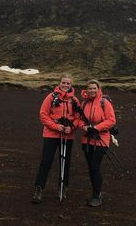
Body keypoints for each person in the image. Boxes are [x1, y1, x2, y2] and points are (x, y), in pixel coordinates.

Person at [31, 74, 81, 204]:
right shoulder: (51, 97)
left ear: (71, 85)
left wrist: (72, 127)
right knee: (46, 161)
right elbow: (43, 114)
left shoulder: (74, 100)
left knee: (65, 162)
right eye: (63, 82)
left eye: (68, 83)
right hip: (51, 135)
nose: (65, 85)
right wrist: (55, 126)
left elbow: (78, 117)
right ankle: (39, 188)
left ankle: (63, 187)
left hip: (67, 135)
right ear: (59, 83)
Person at [78, 79, 116, 207]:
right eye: (90, 88)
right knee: (91, 168)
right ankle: (95, 192)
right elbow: (80, 120)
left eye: (95, 88)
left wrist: (96, 128)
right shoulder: (84, 104)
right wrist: (83, 126)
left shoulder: (104, 103)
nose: (92, 90)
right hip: (86, 140)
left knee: (94, 166)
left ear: (98, 89)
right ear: (86, 90)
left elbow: (111, 120)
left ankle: (96, 195)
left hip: (102, 139)